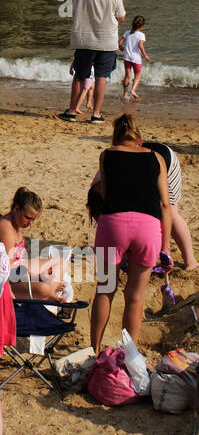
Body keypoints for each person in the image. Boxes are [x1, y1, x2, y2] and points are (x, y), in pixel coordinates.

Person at [90, 114, 172, 350]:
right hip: (148, 228)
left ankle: (95, 350)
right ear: (140, 139)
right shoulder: (156, 157)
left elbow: (104, 194)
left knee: (105, 290)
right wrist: (165, 247)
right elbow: (165, 205)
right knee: (135, 297)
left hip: (113, 224)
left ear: (115, 138)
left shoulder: (107, 155)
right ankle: (130, 354)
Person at [61, 0, 126, 122]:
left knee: (80, 76)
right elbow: (121, 16)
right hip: (107, 40)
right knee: (101, 77)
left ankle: (71, 111)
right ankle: (96, 114)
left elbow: (75, 10)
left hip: (85, 39)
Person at [0, 187, 69, 301]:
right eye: (28, 218)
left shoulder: (17, 222)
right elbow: (8, 271)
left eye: (33, 219)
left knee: (60, 262)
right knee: (43, 289)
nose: (30, 223)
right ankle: (49, 292)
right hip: (5, 280)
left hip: (20, 267)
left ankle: (49, 291)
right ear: (16, 209)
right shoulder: (6, 229)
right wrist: (39, 276)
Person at [141, 138, 197, 271]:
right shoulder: (112, 157)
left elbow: (165, 207)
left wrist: (165, 249)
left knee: (171, 213)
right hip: (146, 168)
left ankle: (190, 261)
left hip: (168, 163)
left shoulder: (157, 161)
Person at [120, 15, 151, 101]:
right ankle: (133, 90)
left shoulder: (127, 32)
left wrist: (121, 48)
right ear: (142, 26)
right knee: (137, 76)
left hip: (127, 58)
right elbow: (140, 45)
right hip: (136, 59)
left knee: (127, 76)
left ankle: (125, 93)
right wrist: (145, 55)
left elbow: (120, 42)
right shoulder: (141, 35)